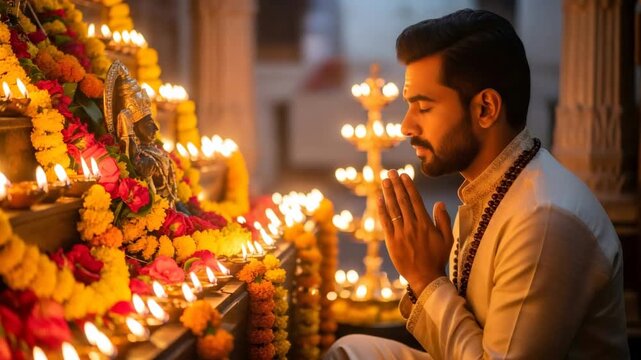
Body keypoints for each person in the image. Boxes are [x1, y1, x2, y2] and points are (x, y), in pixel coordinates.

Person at [324, 9, 629, 360]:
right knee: (350, 352)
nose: (407, 126)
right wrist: (434, 277)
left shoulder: (544, 220)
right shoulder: (494, 187)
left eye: (423, 107)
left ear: (485, 108)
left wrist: (425, 279)